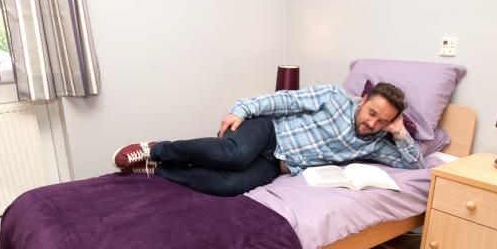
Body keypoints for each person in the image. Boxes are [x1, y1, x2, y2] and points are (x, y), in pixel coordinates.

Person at [112, 82, 424, 196]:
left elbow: (414, 164)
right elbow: (285, 100)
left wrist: (399, 131)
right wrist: (242, 109)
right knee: (232, 155)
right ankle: (156, 148)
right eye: (372, 112)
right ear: (364, 98)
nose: (372, 123)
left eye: (382, 121)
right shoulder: (334, 96)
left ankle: (158, 168)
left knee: (229, 185)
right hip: (270, 132)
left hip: (280, 165)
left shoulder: (379, 141)